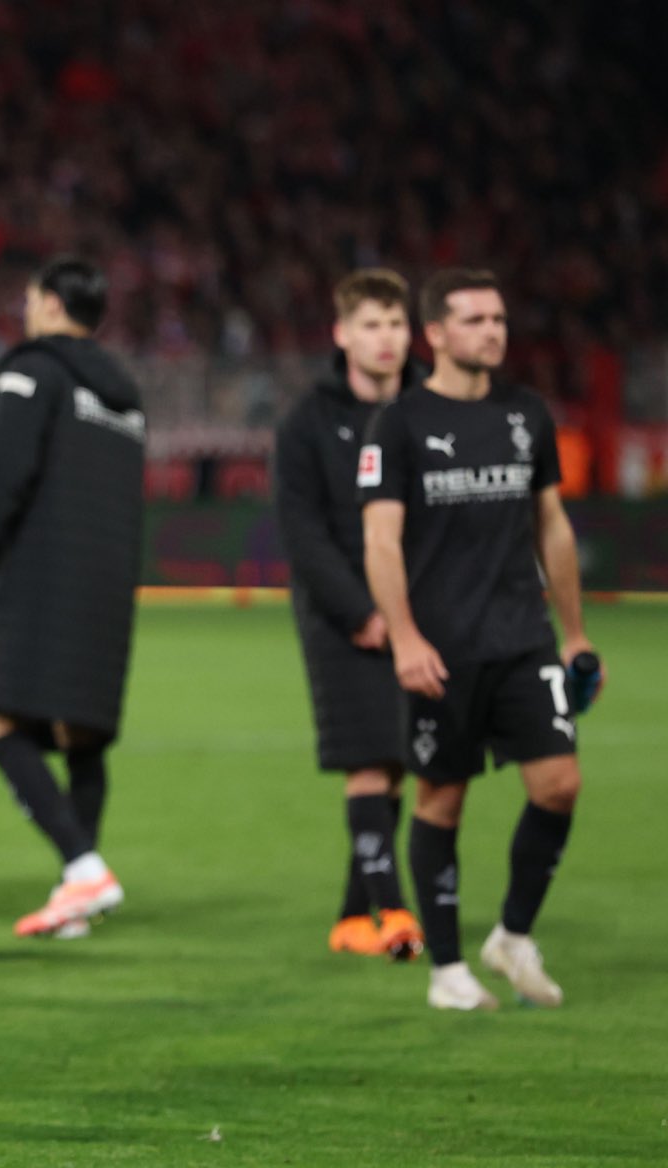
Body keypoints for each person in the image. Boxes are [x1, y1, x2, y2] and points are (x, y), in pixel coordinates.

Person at [360, 269, 594, 1012]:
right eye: (475, 319)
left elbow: (550, 523)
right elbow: (381, 540)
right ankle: (448, 969)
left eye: (498, 318)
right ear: (436, 333)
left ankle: (513, 936)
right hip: (442, 647)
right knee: (442, 801)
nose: (493, 330)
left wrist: (576, 634)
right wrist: (403, 637)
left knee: (560, 784)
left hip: (523, 637)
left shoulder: (527, 414)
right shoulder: (398, 424)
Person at [0, 257, 146, 940]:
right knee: (82, 734)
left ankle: (82, 865)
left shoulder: (32, 371)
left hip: (40, 577)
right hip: (108, 578)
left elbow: (3, 482)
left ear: (47, 303)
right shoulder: (125, 393)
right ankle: (79, 890)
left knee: (1, 726)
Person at [274, 270, 427, 960]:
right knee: (369, 759)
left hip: (419, 616)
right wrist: (363, 613)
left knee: (397, 762)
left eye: (395, 324)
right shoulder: (307, 420)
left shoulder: (431, 408)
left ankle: (349, 916)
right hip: (343, 620)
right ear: (341, 333)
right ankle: (394, 912)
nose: (386, 338)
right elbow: (302, 532)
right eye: (371, 324)